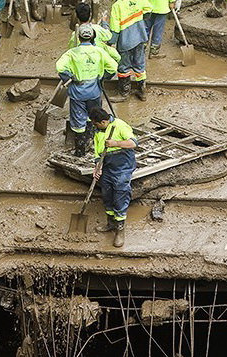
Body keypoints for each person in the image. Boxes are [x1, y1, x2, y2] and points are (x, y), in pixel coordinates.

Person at [56, 24, 119, 156]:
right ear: (93, 37)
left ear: (79, 37)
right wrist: (103, 78)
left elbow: (60, 67)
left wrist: (70, 77)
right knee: (94, 116)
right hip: (94, 92)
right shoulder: (100, 52)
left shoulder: (71, 53)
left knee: (78, 120)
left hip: (77, 93)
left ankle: (80, 150)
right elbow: (113, 67)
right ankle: (92, 140)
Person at [90, 107, 138, 247]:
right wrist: (97, 166)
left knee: (120, 193)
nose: (95, 126)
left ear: (104, 121)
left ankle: (120, 230)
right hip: (107, 165)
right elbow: (97, 152)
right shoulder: (98, 131)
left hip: (122, 165)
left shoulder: (120, 125)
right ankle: (110, 223)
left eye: (96, 124)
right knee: (107, 193)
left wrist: (116, 143)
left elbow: (134, 143)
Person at [109, 0, 152, 102]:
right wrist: (141, 18)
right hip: (140, 37)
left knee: (123, 66)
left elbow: (115, 27)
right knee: (139, 64)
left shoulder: (117, 6)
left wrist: (111, 42)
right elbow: (149, 8)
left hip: (125, 41)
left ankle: (124, 93)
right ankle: (142, 91)